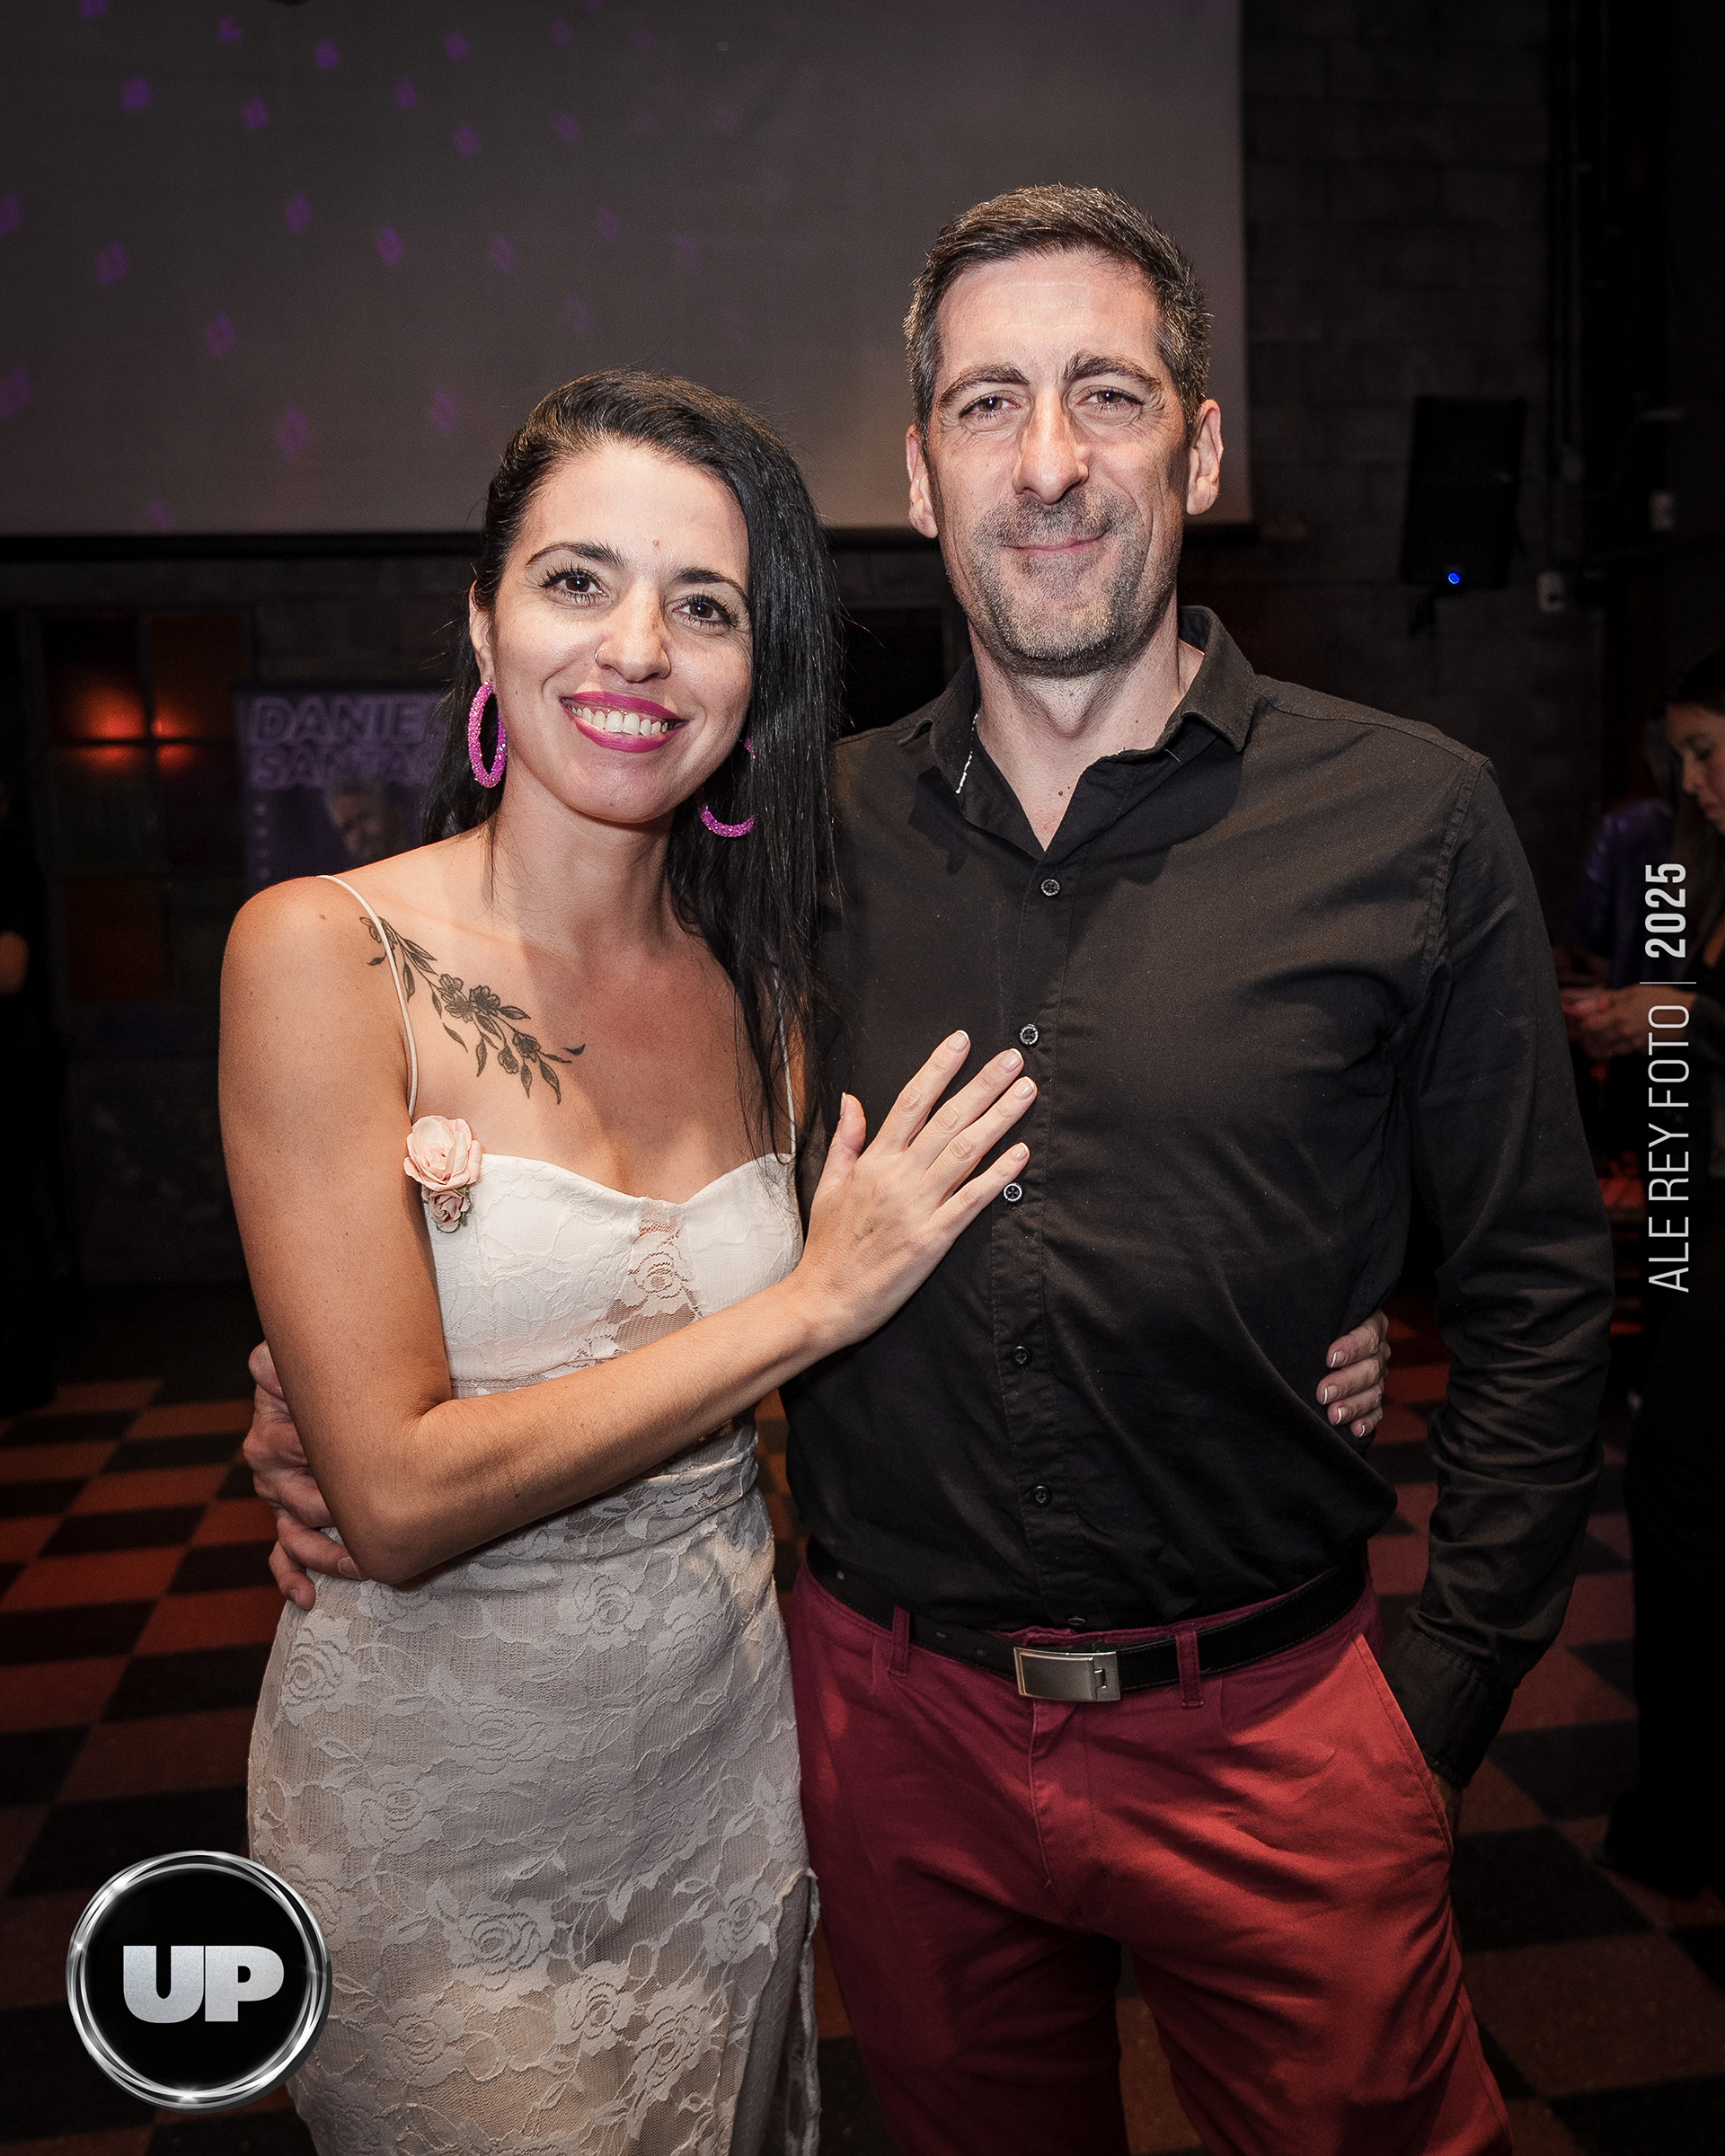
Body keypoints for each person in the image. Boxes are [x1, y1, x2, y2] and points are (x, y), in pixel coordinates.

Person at [244, 185, 1553, 2156]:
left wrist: (1443, 1685)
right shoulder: (791, 859)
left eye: (1109, 395)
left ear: (1200, 450)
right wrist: (320, 1385)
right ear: (922, 475)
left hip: (1278, 1726)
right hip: (885, 1724)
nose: (1051, 460)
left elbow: (1544, 1283)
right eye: (989, 404)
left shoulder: (1415, 819)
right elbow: (557, 1149)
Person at [221, 370, 1050, 2156]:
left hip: (721, 1773)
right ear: (484, 623)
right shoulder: (323, 952)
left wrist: (1316, 1330)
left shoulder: (773, 994)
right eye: (577, 581)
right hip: (442, 1815)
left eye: (705, 607)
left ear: (759, 679)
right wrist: (807, 1303)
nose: (638, 651)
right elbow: (392, 1499)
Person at [1569, 645, 1725, 1898]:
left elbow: (1688, 1008)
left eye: (1709, 753)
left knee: (1677, 1482)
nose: (1692, 781)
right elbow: (1647, 976)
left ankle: (1686, 1804)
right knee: (1672, 1473)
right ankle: (1681, 1795)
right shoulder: (1673, 845)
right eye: (1680, 758)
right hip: (1692, 1185)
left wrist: (1667, 1015)